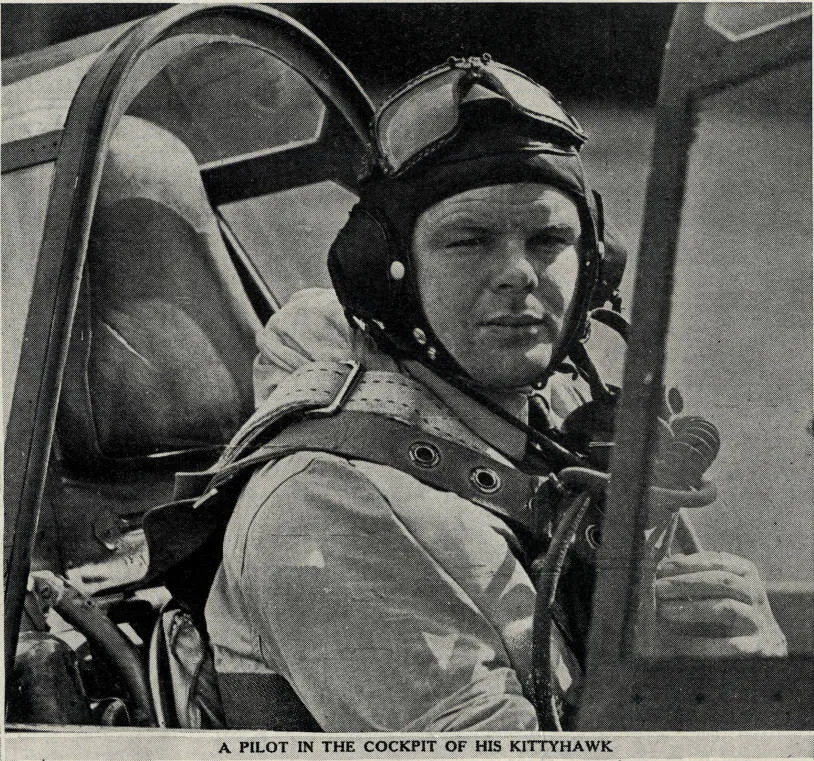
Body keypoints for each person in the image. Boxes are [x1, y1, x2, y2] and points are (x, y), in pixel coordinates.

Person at [203, 56, 786, 731]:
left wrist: (743, 663)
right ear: (387, 274)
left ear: (595, 267)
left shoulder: (559, 418)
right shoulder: (325, 509)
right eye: (468, 239)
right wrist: (701, 713)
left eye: (547, 239)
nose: (517, 273)